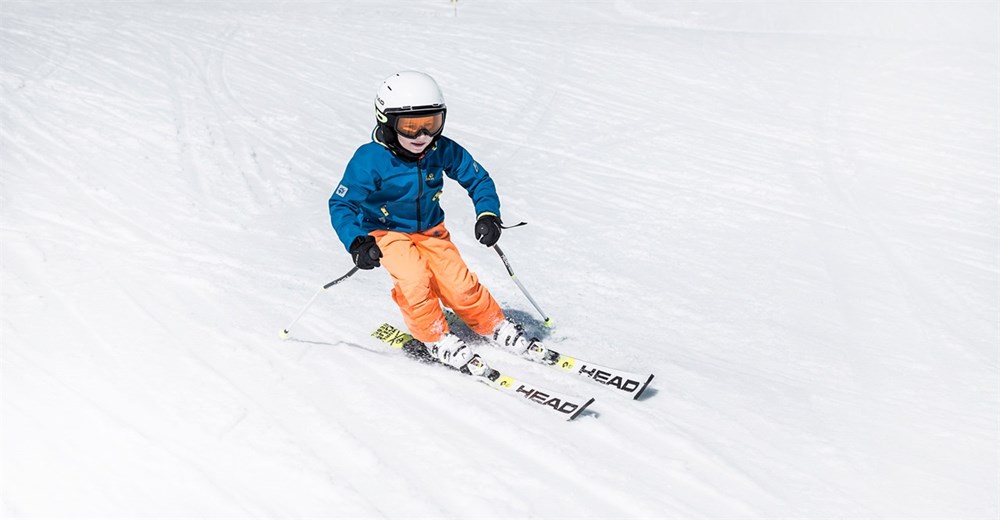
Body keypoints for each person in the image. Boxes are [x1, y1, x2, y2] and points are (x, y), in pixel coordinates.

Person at [328, 71, 557, 376]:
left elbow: (478, 178)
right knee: (415, 280)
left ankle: (493, 324)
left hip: (431, 231)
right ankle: (434, 335)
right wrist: (358, 240)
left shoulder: (441, 149)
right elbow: (342, 203)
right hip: (384, 231)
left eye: (432, 123)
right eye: (410, 127)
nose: (422, 136)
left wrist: (487, 213)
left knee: (460, 286)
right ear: (386, 121)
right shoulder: (370, 159)